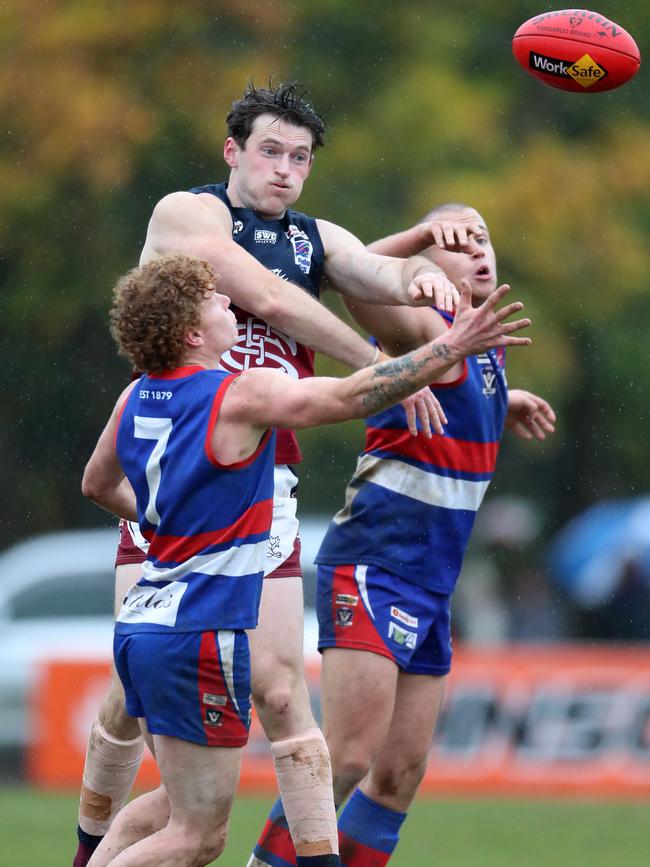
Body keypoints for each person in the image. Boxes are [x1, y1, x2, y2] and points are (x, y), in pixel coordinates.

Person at [73, 80, 483, 867]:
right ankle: (86, 848)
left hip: (267, 488)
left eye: (299, 158)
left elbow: (370, 272)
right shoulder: (186, 216)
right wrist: (383, 361)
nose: (285, 170)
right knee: (143, 720)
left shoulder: (312, 236)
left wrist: (421, 275)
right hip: (181, 477)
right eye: (270, 151)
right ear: (232, 151)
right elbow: (267, 295)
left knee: (287, 695)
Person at [249, 203, 556, 867]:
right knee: (348, 757)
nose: (478, 251)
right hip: (376, 565)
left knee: (397, 776)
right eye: (459, 242)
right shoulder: (426, 323)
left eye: (484, 239)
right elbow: (346, 277)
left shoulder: (485, 342)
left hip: (430, 583)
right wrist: (415, 241)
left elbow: (460, 401)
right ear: (422, 272)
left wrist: (508, 402)